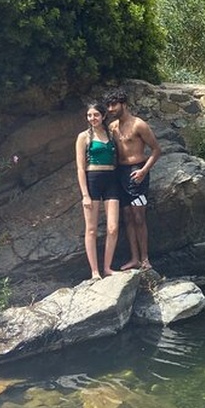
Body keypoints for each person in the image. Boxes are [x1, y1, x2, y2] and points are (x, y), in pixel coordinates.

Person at [104, 88, 162, 270]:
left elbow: (156, 150)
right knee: (127, 216)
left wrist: (144, 171)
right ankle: (134, 258)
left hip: (137, 172)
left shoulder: (139, 125)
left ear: (124, 105)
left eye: (114, 105)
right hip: (120, 173)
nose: (111, 109)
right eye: (108, 106)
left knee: (139, 217)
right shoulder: (112, 127)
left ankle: (145, 259)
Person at [75, 102, 120, 280]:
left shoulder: (111, 133)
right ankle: (94, 271)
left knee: (113, 228)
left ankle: (107, 267)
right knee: (91, 229)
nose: (92, 118)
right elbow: (80, 168)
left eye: (96, 115)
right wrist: (85, 194)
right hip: (92, 179)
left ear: (103, 116)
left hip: (111, 179)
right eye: (89, 115)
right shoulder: (83, 136)